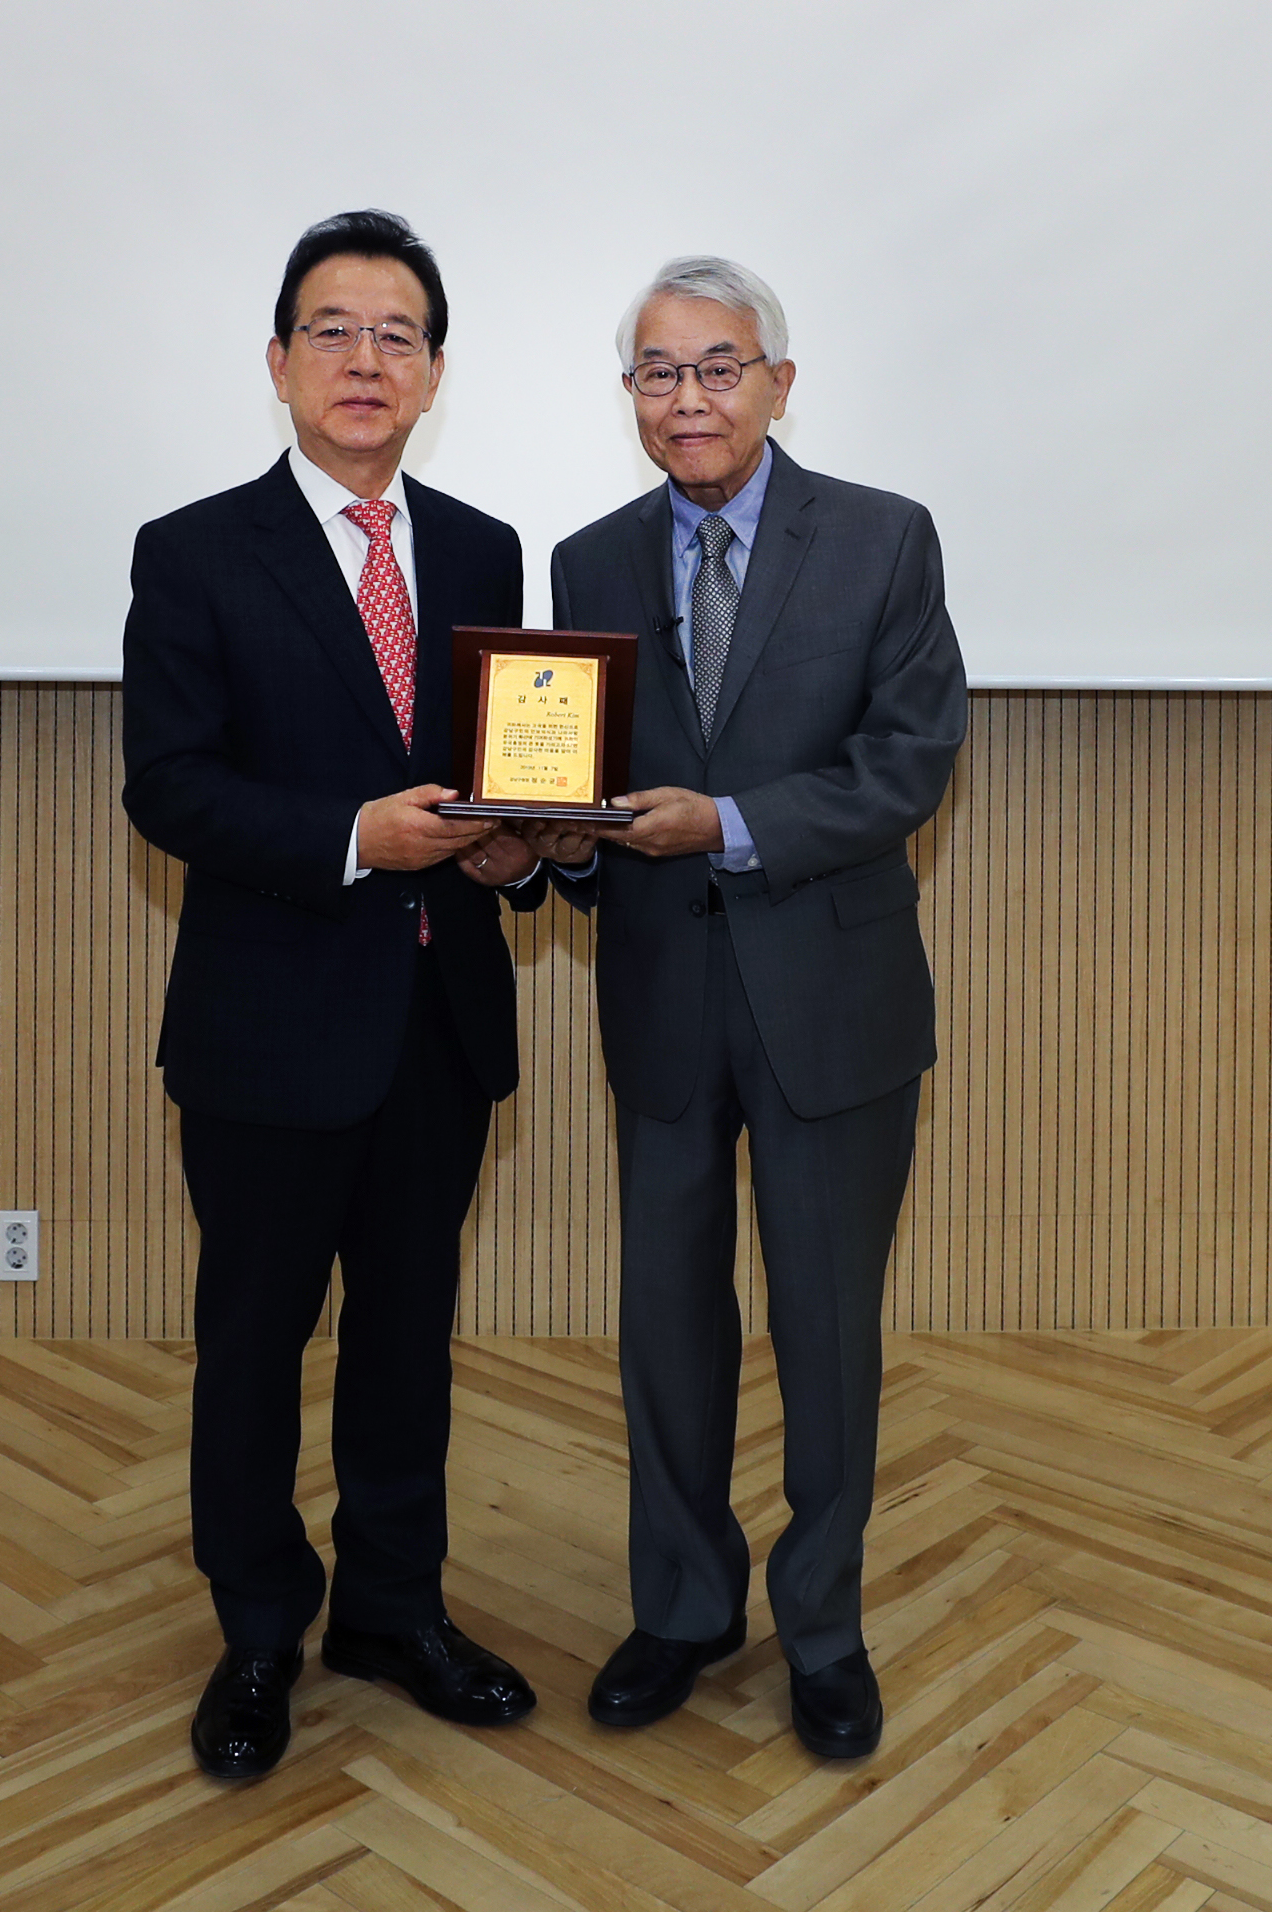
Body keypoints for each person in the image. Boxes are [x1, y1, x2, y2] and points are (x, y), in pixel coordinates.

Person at [121, 209, 543, 1779]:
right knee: (252, 1341)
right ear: (281, 359)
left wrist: (513, 856)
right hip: (266, 1029)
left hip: (438, 1025)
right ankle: (254, 1627)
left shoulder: (490, 549)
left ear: (436, 369)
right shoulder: (191, 550)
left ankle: (392, 1606)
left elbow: (513, 785)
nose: (367, 360)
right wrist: (353, 838)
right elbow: (166, 787)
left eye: (398, 334)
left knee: (409, 1336)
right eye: (335, 330)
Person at [530, 256, 967, 1757]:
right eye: (659, 371)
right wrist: (553, 841)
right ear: (632, 397)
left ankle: (826, 1627)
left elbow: (907, 766)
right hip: (658, 993)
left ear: (780, 381)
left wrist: (717, 822)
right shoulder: (585, 564)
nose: (689, 397)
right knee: (666, 1320)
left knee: (829, 1329)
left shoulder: (884, 541)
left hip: (831, 997)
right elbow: (581, 793)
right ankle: (683, 1605)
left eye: (718, 366)